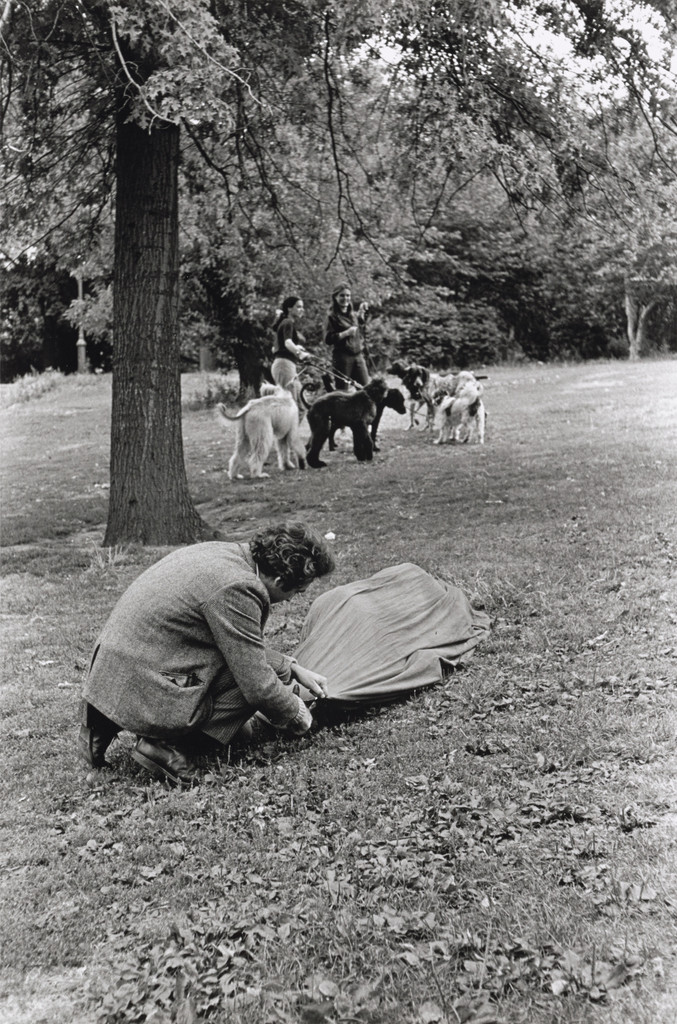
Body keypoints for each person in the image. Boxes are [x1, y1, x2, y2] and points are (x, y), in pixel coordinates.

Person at [79, 521, 336, 785]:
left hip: (107, 677)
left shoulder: (222, 553)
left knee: (242, 724)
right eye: (297, 591)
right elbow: (256, 682)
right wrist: (296, 714)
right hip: (148, 679)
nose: (294, 599)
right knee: (247, 686)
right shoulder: (239, 587)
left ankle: (101, 725)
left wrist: (291, 668)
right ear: (280, 581)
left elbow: (237, 642)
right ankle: (167, 745)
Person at [324, 284, 370, 390]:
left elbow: (360, 326)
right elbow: (328, 339)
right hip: (342, 358)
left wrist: (362, 314)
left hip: (358, 356)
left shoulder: (353, 315)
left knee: (366, 390)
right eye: (342, 296)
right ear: (335, 297)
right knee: (342, 392)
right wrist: (346, 333)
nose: (346, 298)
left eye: (348, 295)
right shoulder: (331, 317)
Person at [271, 296, 310, 402]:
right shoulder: (287, 322)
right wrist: (300, 353)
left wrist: (296, 347)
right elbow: (287, 343)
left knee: (302, 404)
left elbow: (276, 347)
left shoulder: (286, 323)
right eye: (298, 307)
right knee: (289, 404)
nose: (302, 309)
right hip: (284, 366)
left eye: (302, 307)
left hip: (287, 365)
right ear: (289, 308)